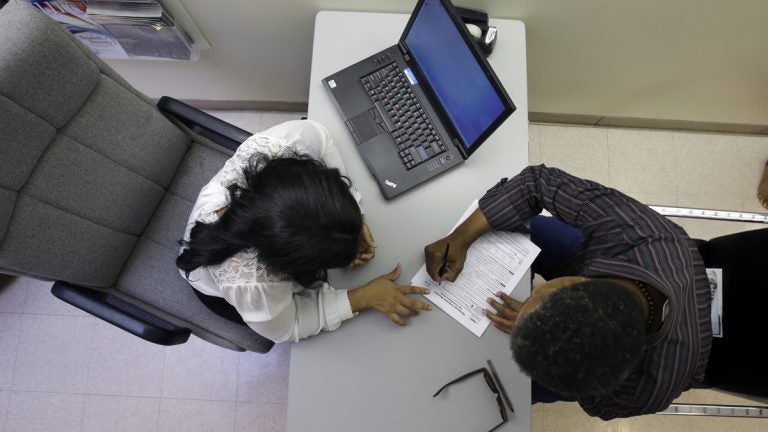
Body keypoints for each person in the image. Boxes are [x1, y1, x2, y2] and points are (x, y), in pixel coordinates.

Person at [423, 165, 711, 420]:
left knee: (517, 387)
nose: (523, 306)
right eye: (535, 296)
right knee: (520, 226)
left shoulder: (648, 389)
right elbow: (536, 183)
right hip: (623, 257)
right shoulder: (636, 232)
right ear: (577, 280)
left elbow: (600, 406)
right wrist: (458, 239)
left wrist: (543, 338)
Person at [177, 119, 431, 343]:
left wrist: (351, 221)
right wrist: (364, 296)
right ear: (291, 265)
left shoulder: (282, 144)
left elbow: (322, 138)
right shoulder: (251, 283)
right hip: (222, 293)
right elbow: (287, 328)